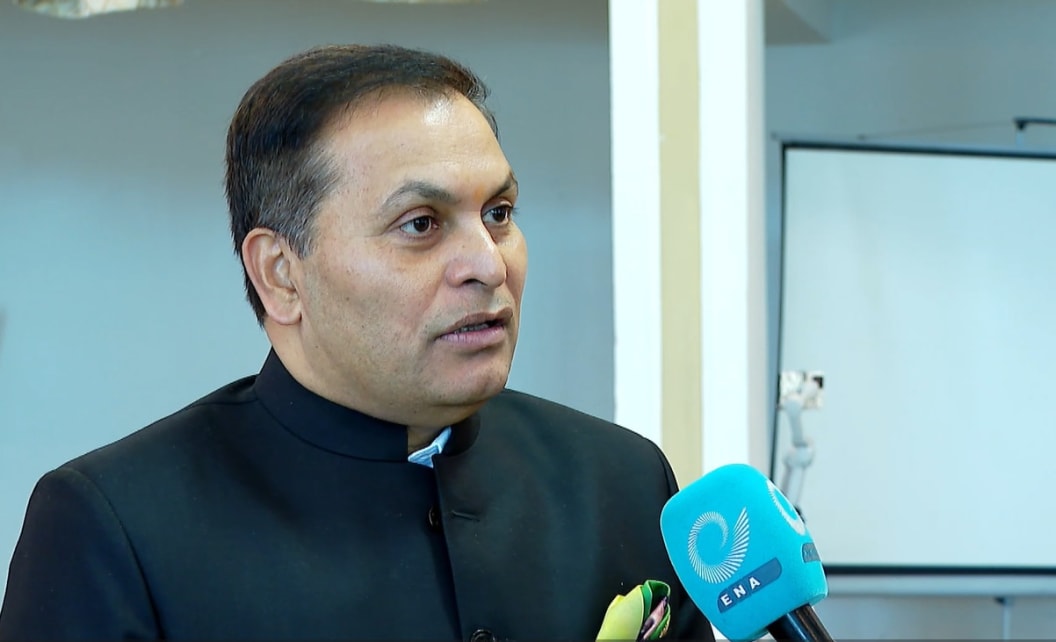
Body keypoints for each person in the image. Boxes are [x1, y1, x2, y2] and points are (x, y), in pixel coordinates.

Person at [0, 44, 714, 641]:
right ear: (281, 274)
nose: (490, 264)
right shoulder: (114, 528)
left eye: (498, 213)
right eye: (421, 224)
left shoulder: (621, 481)